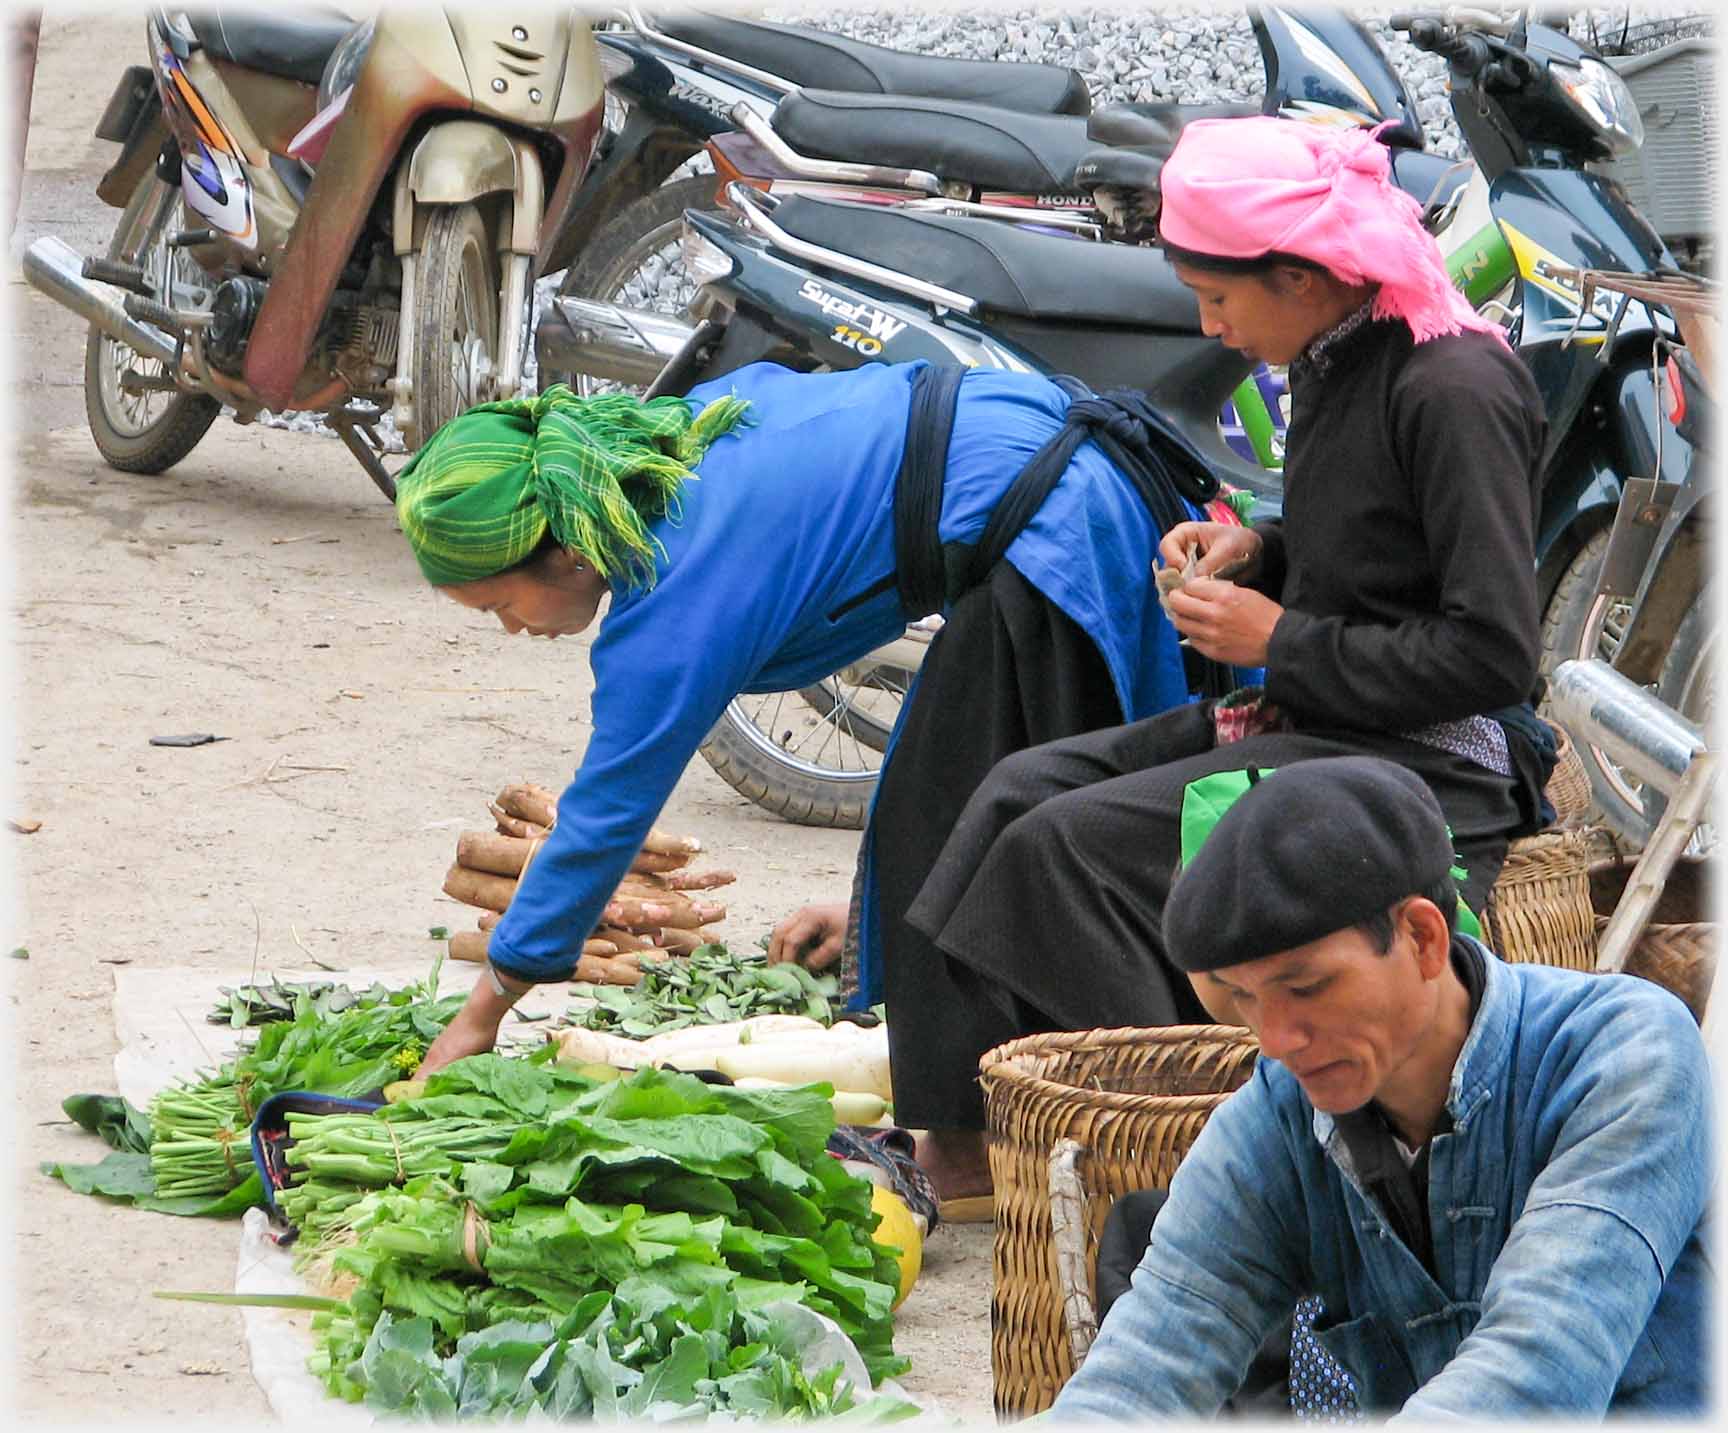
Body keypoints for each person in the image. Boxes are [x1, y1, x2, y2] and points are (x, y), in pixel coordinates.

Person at [886, 114, 1556, 1206]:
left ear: (1299, 275)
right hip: (1324, 716)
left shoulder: (1452, 388)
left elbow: (1490, 652)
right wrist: (1260, 547)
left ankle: (1218, 1153)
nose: (1211, 326)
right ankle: (961, 1138)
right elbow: (1372, 544)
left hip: (1428, 767)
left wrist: (1274, 639)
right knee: (1014, 791)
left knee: (1067, 851)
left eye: (1220, 298)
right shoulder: (1341, 350)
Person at [400, 360, 1249, 1141]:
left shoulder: (675, 589)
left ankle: (1006, 1141)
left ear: (567, 549)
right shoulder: (672, 446)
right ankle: (1007, 1122)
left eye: (497, 604)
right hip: (1045, 483)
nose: (510, 628)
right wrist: (867, 919)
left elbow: (601, 821)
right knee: (942, 820)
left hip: (1055, 516)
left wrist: (484, 1013)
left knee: (977, 834)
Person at [1051, 755, 1711, 1419]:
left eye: (1306, 986)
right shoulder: (1279, 1118)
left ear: (1422, 936)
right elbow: (1140, 1369)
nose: (1276, 1038)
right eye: (1247, 999)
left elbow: (1535, 1373)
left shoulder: (1625, 1054)